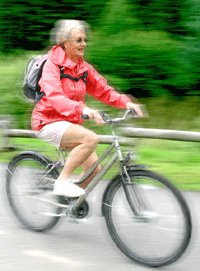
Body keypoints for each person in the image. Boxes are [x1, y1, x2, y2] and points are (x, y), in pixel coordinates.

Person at [31, 19, 144, 198]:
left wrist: (126, 102)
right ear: (65, 43)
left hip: (70, 124)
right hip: (47, 121)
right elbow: (55, 96)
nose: (83, 44)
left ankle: (68, 201)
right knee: (91, 138)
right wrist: (82, 109)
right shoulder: (52, 65)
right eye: (78, 40)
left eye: (84, 40)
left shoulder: (83, 68)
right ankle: (62, 182)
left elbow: (103, 90)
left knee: (94, 169)